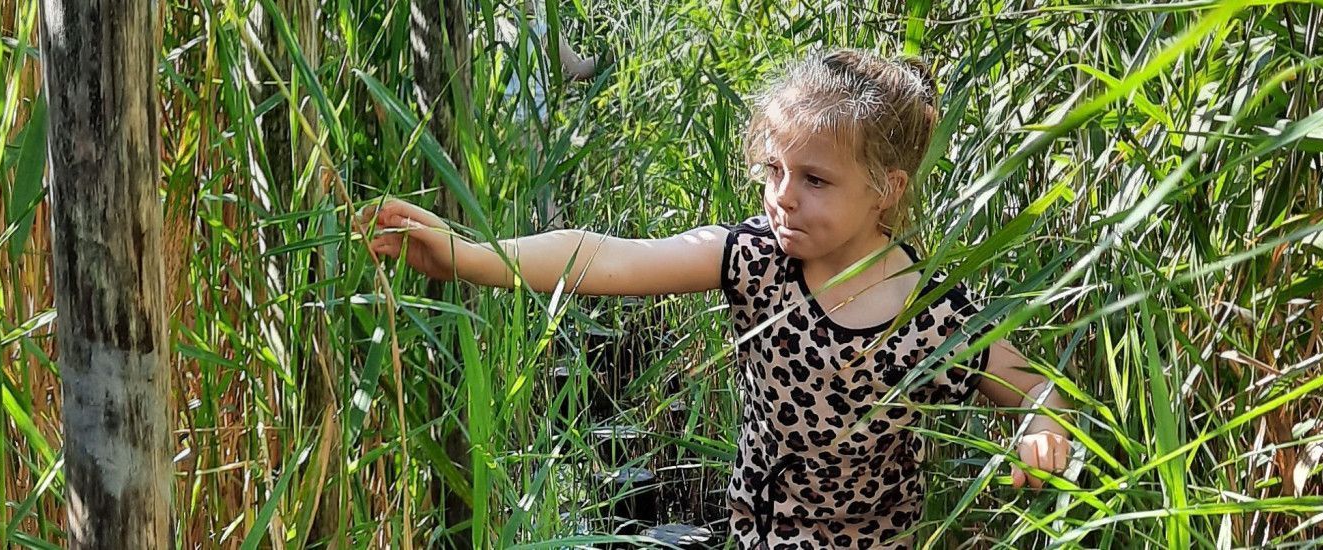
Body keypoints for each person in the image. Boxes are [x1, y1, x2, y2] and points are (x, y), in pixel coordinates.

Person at [358, 47, 1075, 549]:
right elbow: (606, 255)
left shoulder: (933, 313)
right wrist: (473, 259)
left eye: (815, 180)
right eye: (773, 170)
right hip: (760, 536)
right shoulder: (754, 258)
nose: (781, 198)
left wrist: (1042, 432)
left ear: (886, 190)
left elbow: (1036, 389)